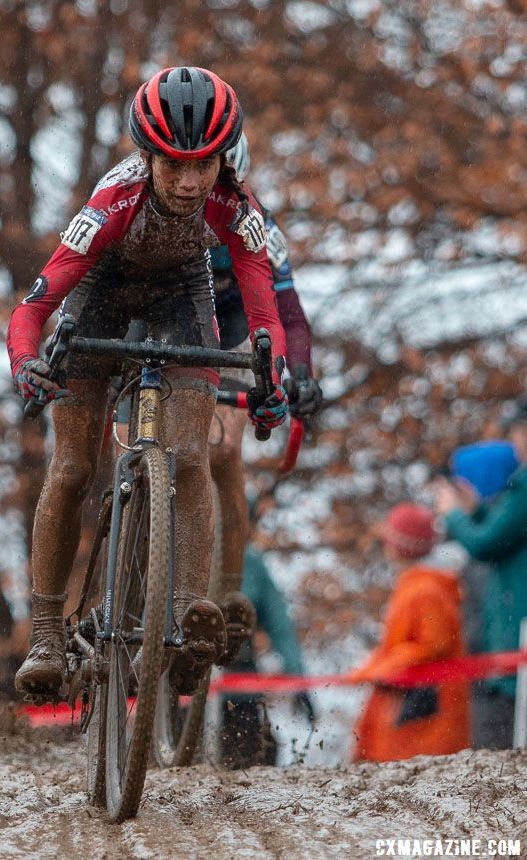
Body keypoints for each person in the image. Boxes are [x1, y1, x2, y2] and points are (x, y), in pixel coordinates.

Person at [9, 67, 289, 700]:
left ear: (224, 158)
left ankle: (191, 617)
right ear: (146, 156)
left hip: (180, 297)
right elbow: (32, 307)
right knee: (74, 467)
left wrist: (270, 379)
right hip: (99, 293)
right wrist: (26, 360)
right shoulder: (114, 200)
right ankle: (48, 635)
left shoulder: (236, 209)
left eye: (205, 165)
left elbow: (264, 313)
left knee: (192, 455)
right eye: (173, 166)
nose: (190, 183)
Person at [208, 133, 323, 662]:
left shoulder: (260, 225)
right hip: (168, 319)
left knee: (221, 444)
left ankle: (227, 590)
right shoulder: (149, 205)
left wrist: (298, 372)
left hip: (230, 328)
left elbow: (289, 315)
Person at [435, 400, 527, 749]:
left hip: (504, 659)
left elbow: (488, 542)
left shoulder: (525, 484)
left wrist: (455, 515)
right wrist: (474, 511)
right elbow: (501, 530)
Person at [347, 503, 471, 762]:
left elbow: (432, 645)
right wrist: (371, 667)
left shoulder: (425, 590)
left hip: (426, 717)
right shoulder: (415, 584)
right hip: (412, 709)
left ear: (401, 545)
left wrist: (382, 668)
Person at [218, 547, 315, 769]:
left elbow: (281, 627)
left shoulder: (251, 564)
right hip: (186, 690)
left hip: (239, 691)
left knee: (251, 763)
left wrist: (298, 679)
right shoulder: (182, 553)